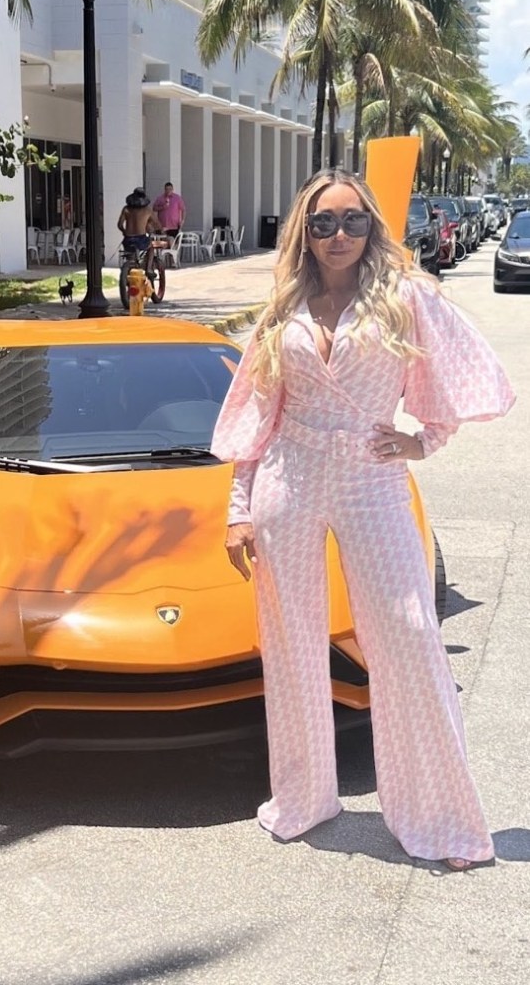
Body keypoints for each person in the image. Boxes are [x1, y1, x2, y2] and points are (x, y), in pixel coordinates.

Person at [211, 169, 515, 871]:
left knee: (408, 637)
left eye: (352, 221)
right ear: (303, 232)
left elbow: (462, 377)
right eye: (322, 223)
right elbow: (259, 411)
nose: (338, 235)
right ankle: (303, 799)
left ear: (371, 226)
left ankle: (440, 819)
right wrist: (237, 508)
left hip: (369, 475)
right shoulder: (283, 306)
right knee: (288, 643)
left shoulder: (404, 296)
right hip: (286, 476)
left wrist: (424, 438)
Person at [117, 187, 159, 269]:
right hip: (141, 238)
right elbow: (157, 223)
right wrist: (155, 229)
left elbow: (119, 225)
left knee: (130, 254)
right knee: (151, 248)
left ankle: (130, 267)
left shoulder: (126, 209)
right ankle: (149, 268)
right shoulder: (147, 210)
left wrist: (124, 231)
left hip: (128, 239)